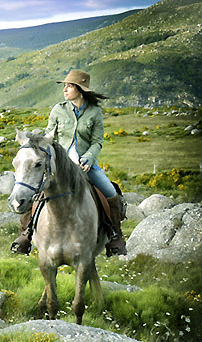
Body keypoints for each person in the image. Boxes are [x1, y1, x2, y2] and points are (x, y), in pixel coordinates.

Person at [11, 69, 127, 256]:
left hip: (85, 164)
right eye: (65, 86)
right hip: (61, 164)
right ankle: (26, 234)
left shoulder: (94, 112)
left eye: (69, 86)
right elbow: (49, 135)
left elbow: (97, 141)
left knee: (110, 192)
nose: (65, 89)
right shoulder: (58, 109)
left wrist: (89, 158)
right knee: (35, 191)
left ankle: (115, 236)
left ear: (80, 89)